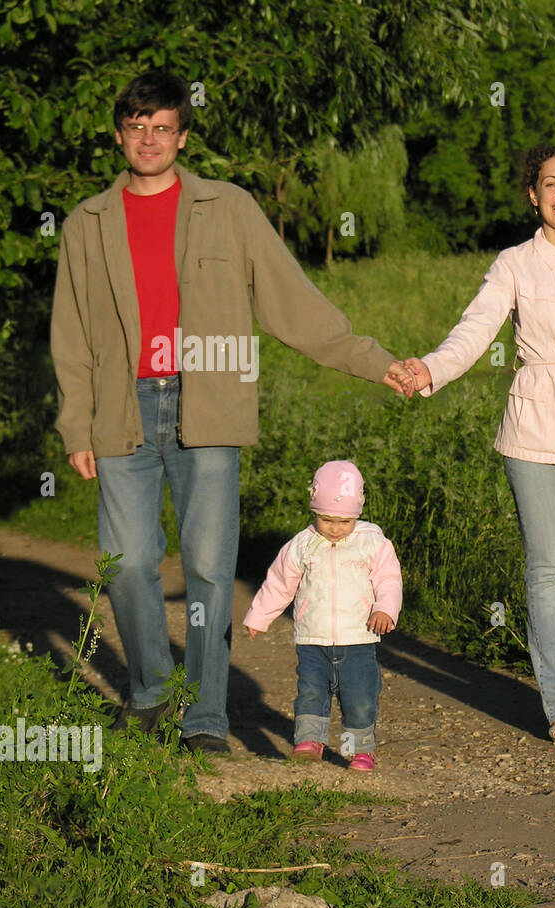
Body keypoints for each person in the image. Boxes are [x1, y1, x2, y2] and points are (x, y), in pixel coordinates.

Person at [49, 71, 415, 753]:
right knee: (126, 564)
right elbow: (68, 334)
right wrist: (76, 424)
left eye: (162, 127)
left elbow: (291, 302)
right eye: (136, 126)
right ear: (120, 134)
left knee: (212, 568)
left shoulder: (229, 207)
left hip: (209, 404)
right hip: (119, 408)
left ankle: (206, 717)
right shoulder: (85, 224)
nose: (149, 138)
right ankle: (154, 693)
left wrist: (374, 359)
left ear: (182, 136)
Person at [403, 144, 555, 742]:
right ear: (533, 195)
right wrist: (432, 370)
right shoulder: (514, 263)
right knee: (548, 569)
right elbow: (475, 328)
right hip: (532, 432)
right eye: (550, 183)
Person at [242, 461, 401, 771]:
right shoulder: (302, 545)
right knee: (311, 691)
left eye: (344, 521)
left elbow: (389, 580)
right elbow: (279, 583)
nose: (334, 528)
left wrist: (385, 608)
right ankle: (309, 740)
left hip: (358, 637)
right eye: (326, 519)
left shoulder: (373, 544)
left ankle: (358, 750)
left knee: (360, 696)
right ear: (314, 511)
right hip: (312, 637)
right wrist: (259, 616)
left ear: (357, 512)